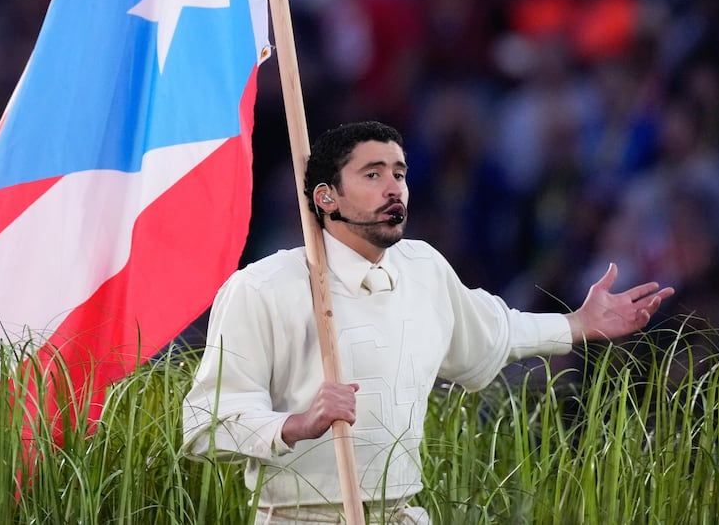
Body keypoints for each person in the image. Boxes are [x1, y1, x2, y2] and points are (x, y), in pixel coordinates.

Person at [182, 120, 674, 524]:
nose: (394, 187)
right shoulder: (261, 287)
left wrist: (575, 325)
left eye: (399, 173)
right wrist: (296, 424)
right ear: (326, 197)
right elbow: (203, 424)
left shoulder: (424, 267)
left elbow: (493, 330)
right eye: (372, 175)